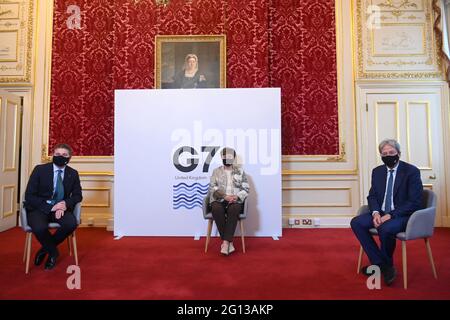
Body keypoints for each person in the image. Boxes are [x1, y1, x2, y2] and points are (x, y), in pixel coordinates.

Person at [351, 139, 423, 286]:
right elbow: (372, 196)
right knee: (356, 222)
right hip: (382, 213)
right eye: (385, 154)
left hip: (403, 215)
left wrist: (390, 215)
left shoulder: (411, 171)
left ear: (399, 153)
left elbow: (414, 202)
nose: (388, 155)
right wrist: (376, 213)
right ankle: (383, 265)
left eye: (392, 153)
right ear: (381, 156)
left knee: (386, 227)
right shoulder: (377, 172)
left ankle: (382, 265)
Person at [25, 143, 83, 270]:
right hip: (40, 208)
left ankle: (44, 249)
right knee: (39, 227)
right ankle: (53, 252)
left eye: (64, 155)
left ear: (69, 158)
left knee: (70, 224)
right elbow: (29, 196)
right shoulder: (40, 170)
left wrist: (64, 204)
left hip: (61, 209)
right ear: (53, 155)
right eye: (57, 154)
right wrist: (51, 207)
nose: (60, 157)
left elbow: (78, 195)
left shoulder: (73, 173)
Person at [209, 147, 250, 255]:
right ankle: (228, 241)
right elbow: (212, 188)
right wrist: (225, 196)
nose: (227, 158)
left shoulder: (240, 171)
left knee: (235, 208)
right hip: (220, 199)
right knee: (216, 208)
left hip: (235, 199)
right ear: (221, 157)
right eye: (225, 156)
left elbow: (246, 188)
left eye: (230, 156)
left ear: (234, 158)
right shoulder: (216, 171)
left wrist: (237, 197)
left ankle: (225, 242)